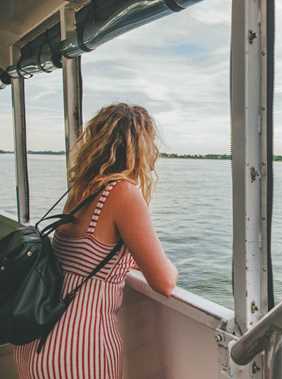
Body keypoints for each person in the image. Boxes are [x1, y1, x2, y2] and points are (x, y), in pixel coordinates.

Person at [13, 103, 178, 379]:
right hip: (78, 348)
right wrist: (171, 267)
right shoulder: (123, 193)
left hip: (38, 340)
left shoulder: (80, 192)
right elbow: (165, 282)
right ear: (140, 146)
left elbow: (89, 256)